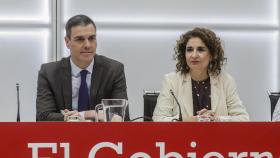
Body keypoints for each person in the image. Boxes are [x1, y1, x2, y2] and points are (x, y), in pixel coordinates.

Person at [36, 14, 129, 121]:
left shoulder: (113, 70)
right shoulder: (49, 73)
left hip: (103, 136)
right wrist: (91, 114)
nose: (87, 45)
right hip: (63, 136)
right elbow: (43, 116)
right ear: (67, 42)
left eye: (91, 38)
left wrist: (83, 115)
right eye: (79, 39)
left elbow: (122, 116)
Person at [153, 27, 249, 122]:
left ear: (212, 55)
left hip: (217, 136)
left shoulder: (226, 81)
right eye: (189, 50)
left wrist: (216, 119)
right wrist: (189, 120)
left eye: (200, 49)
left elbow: (243, 118)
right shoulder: (171, 81)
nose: (194, 55)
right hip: (184, 137)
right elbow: (158, 119)